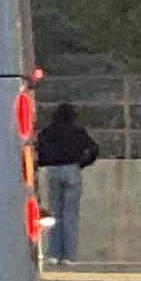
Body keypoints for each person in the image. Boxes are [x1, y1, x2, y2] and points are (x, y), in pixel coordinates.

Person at [38, 98, 100, 265]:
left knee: (55, 214)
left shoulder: (48, 131)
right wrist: (82, 163)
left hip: (53, 171)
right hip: (72, 170)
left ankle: (53, 254)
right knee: (70, 214)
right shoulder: (77, 131)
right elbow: (94, 149)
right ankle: (69, 256)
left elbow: (39, 148)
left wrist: (44, 162)